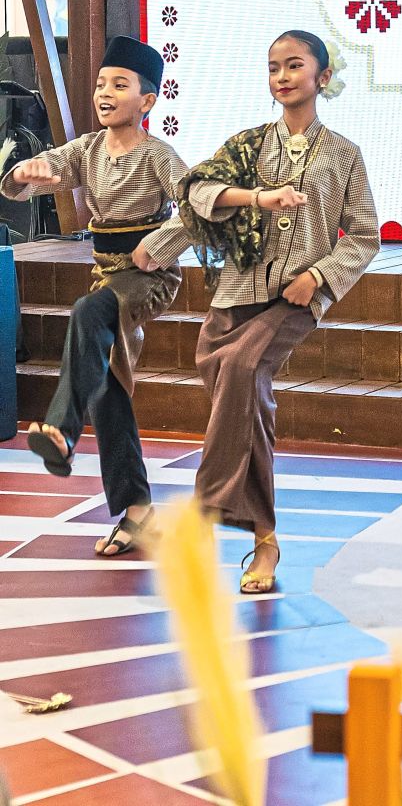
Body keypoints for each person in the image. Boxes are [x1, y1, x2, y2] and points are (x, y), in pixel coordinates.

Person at [149, 32, 378, 593]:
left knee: (242, 368)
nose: (282, 76)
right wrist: (156, 248)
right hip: (232, 293)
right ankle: (266, 541)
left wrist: (317, 278)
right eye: (274, 67)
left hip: (294, 298)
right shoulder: (247, 145)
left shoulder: (344, 154)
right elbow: (197, 195)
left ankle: (207, 503)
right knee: (247, 405)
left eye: (295, 65)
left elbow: (365, 236)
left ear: (323, 77)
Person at [1, 36, 190, 556]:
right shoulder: (87, 149)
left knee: (88, 311)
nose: (105, 92)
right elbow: (32, 176)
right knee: (108, 387)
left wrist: (157, 247)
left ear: (147, 100)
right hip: (107, 275)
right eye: (102, 83)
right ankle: (138, 512)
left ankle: (62, 431)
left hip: (149, 279)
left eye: (120, 85)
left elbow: (198, 208)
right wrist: (22, 173)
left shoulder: (159, 155)